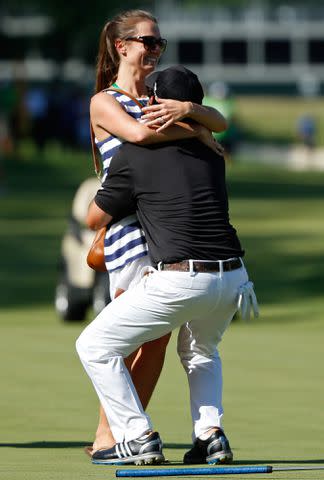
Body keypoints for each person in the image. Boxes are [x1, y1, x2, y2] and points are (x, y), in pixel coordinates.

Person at [76, 65, 258, 466]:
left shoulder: (135, 154)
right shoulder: (211, 150)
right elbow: (208, 129)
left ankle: (137, 435)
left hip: (181, 279)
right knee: (201, 352)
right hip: (234, 280)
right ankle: (210, 436)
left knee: (93, 345)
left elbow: (93, 217)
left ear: (157, 103)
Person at [86, 9, 227, 456]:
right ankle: (113, 436)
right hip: (129, 230)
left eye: (159, 43)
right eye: (148, 42)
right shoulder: (104, 101)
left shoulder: (161, 98)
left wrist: (190, 112)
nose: (155, 50)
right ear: (121, 46)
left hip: (168, 229)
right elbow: (138, 136)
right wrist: (195, 131)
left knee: (157, 342)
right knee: (125, 341)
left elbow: (219, 121)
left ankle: (120, 436)